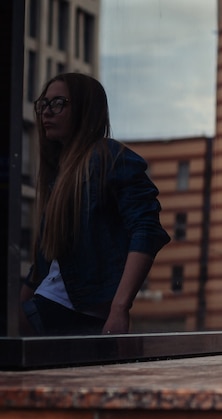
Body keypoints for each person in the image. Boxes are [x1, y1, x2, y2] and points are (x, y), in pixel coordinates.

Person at [20, 72, 170, 336]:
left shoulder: (110, 158)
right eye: (43, 104)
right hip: (54, 306)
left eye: (58, 103)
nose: (46, 112)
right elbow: (44, 262)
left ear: (84, 110)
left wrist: (119, 309)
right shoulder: (60, 173)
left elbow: (146, 230)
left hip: (72, 310)